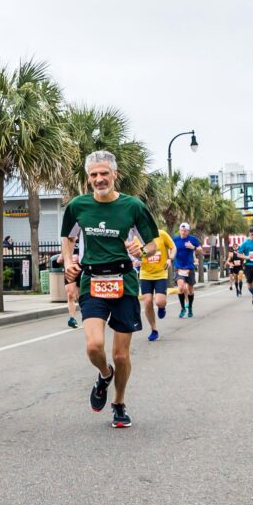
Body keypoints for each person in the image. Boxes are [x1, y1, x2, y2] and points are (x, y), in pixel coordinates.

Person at [59, 150, 159, 429]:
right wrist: (69, 262)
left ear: (115, 175)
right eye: (94, 175)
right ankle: (104, 375)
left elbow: (152, 245)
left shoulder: (133, 206)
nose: (99, 179)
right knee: (94, 346)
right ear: (88, 178)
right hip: (91, 281)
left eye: (104, 173)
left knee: (121, 354)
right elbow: (68, 238)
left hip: (124, 282)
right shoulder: (78, 206)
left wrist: (142, 249)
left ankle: (119, 402)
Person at [135, 221, 175, 341]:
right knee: (147, 302)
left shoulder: (161, 234)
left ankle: (162, 307)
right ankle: (154, 329)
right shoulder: (138, 239)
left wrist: (170, 259)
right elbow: (134, 255)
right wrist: (136, 260)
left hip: (161, 273)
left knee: (159, 301)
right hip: (145, 274)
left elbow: (173, 247)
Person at [171, 221, 200, 319]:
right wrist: (170, 257)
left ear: (188, 231)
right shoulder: (175, 240)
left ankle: (190, 308)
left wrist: (193, 247)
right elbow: (170, 249)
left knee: (190, 291)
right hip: (179, 267)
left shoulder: (193, 239)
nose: (183, 232)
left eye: (185, 231)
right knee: (181, 287)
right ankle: (183, 308)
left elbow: (201, 250)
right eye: (182, 230)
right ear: (179, 230)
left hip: (190, 268)